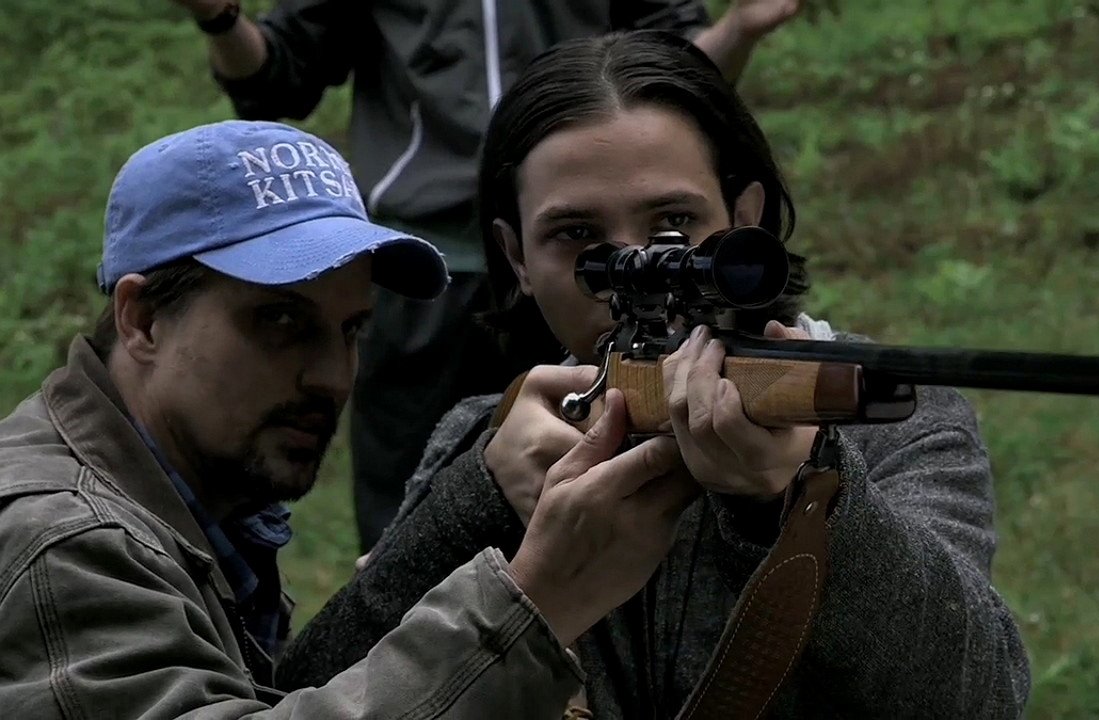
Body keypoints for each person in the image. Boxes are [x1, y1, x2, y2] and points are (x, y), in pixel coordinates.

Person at [273, 31, 1034, 718]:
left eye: (674, 227)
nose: (638, 270)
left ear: (747, 221)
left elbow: (979, 694)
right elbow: (307, 690)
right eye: (578, 238)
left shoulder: (893, 416)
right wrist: (478, 499)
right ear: (516, 259)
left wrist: (801, 496)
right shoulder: (489, 436)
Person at [0, 119, 704, 718]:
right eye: (279, 321)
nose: (334, 377)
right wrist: (538, 599)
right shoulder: (65, 543)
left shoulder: (197, 499)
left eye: (351, 330)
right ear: (143, 318)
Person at [170, 0, 810, 553]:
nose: (630, 255)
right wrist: (221, 16)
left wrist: (741, 28)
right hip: (423, 271)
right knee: (433, 491)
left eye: (672, 221)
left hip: (552, 255)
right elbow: (278, 79)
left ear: (743, 215)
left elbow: (671, 80)